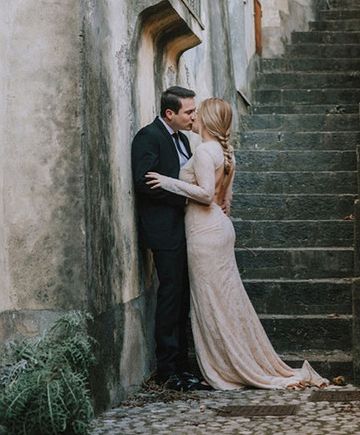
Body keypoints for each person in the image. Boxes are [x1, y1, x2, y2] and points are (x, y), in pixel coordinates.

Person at [146, 97, 329, 390]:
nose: (193, 119)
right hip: (219, 226)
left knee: (214, 302)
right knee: (227, 299)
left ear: (207, 120)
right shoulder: (226, 153)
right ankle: (238, 358)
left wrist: (168, 182)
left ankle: (229, 366)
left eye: (197, 114)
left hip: (204, 231)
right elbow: (225, 202)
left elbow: (206, 195)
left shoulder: (206, 151)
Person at [131, 86, 210, 392]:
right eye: (189, 111)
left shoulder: (184, 140)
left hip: (185, 228)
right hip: (164, 230)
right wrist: (184, 199)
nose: (194, 116)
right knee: (169, 297)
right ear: (170, 113)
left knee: (181, 299)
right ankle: (168, 370)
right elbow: (143, 181)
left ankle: (183, 366)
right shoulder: (148, 137)